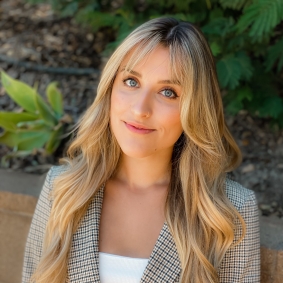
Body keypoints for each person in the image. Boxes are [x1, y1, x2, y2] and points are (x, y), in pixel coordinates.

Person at [22, 17, 260, 283]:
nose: (140, 110)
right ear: (111, 87)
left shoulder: (229, 212)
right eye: (132, 82)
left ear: (195, 109)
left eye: (168, 92)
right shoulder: (62, 190)